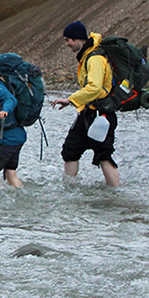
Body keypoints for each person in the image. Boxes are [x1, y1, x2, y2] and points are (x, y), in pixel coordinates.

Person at [49, 20, 120, 187]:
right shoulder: (88, 55)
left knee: (103, 155)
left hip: (101, 114)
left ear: (78, 38)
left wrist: (70, 100)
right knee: (70, 150)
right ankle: (69, 187)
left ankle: (116, 193)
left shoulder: (94, 58)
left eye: (68, 40)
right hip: (88, 112)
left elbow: (95, 87)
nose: (66, 44)